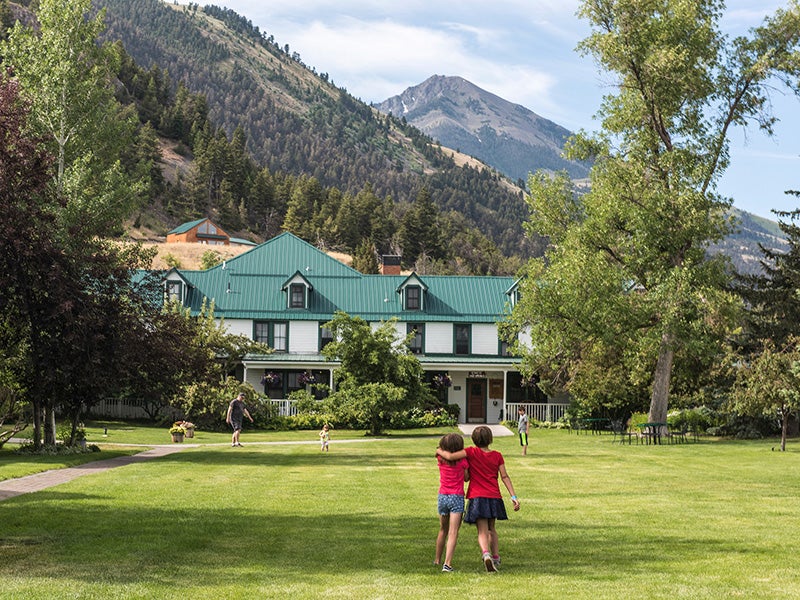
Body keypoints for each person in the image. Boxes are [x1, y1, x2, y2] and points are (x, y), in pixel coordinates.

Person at [437, 425, 520, 573]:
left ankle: (485, 554)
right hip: (494, 497)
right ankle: (495, 557)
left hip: (477, 497)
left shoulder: (470, 452)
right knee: (492, 529)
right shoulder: (498, 455)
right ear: (490, 439)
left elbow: (449, 457)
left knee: (482, 531)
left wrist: (438, 450)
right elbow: (505, 476)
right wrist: (513, 496)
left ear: (474, 440)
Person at [434, 433, 469, 573]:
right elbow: (466, 478)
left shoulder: (440, 458)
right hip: (456, 497)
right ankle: (447, 563)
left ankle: (437, 559)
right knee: (453, 532)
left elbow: (440, 452)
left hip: (442, 496)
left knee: (443, 529)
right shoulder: (463, 461)